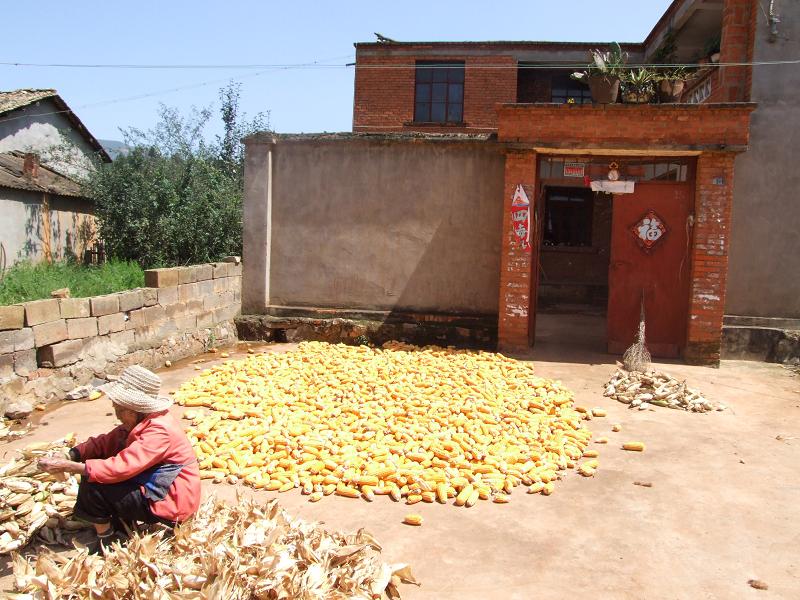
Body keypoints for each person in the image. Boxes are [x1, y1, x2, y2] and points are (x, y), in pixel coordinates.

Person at [38, 365, 201, 554]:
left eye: (118, 408)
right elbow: (105, 442)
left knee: (94, 484)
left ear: (131, 410)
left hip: (173, 501)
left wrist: (73, 467)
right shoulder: (141, 421)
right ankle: (123, 526)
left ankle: (108, 540)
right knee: (100, 462)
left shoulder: (159, 430)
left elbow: (121, 467)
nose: (114, 409)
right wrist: (71, 454)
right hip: (155, 488)